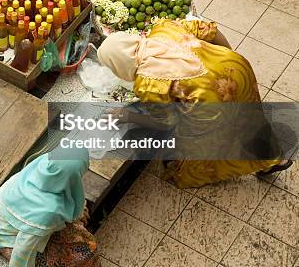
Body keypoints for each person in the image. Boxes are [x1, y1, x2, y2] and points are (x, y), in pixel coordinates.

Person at [97, 19, 293, 188]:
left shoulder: (147, 83)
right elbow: (211, 30)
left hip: (212, 105)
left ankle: (194, 174)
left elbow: (166, 122)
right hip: (236, 70)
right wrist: (225, 62)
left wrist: (127, 116)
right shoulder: (163, 29)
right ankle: (272, 159)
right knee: (248, 116)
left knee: (202, 141)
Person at [0, 149, 99, 267]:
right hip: (4, 234)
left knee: (83, 243)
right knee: (84, 254)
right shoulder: (47, 211)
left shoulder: (42, 168)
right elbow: (23, 249)